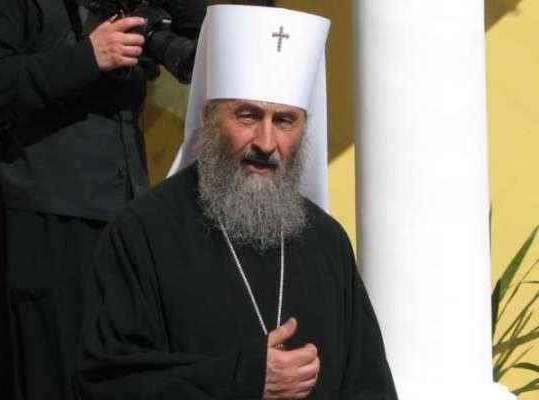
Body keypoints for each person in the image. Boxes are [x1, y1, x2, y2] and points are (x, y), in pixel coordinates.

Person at [76, 5, 397, 400]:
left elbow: (369, 385)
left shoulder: (326, 242)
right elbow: (107, 383)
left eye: (285, 121)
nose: (266, 142)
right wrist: (241, 378)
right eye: (248, 116)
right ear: (208, 117)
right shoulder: (143, 231)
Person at [0, 0, 205, 399]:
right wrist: (89, 56)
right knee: (61, 374)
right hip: (52, 214)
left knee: (130, 369)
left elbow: (199, 29)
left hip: (128, 206)